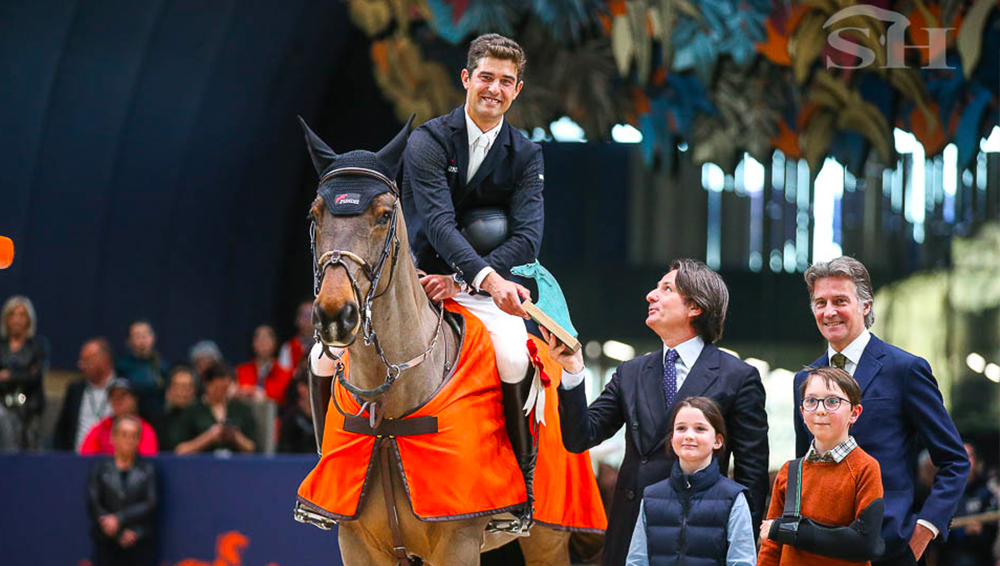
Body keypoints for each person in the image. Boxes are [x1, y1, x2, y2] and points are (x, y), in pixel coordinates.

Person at [401, 32, 543, 531]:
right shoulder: (428, 141)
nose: (494, 89)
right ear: (466, 78)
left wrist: (465, 283)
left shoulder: (526, 153)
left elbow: (527, 239)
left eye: (506, 81)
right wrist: (468, 274)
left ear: (517, 89)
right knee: (324, 355)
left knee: (511, 352)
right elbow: (438, 222)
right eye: (486, 77)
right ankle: (326, 469)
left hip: (480, 288)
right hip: (414, 277)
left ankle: (522, 487)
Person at [545, 258, 769, 566]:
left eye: (666, 289)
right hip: (629, 533)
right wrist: (572, 372)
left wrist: (741, 547)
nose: (651, 295)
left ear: (695, 307)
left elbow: (752, 476)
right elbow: (579, 437)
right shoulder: (631, 372)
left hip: (703, 538)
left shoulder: (738, 377)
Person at [794, 256, 970, 566]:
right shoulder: (805, 380)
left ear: (865, 306)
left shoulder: (905, 370)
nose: (829, 311)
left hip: (889, 548)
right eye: (820, 302)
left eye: (840, 300)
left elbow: (954, 460)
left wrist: (923, 531)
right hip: (818, 548)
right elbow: (803, 465)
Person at [759, 367, 885, 566]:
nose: (820, 409)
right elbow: (771, 548)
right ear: (802, 411)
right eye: (811, 401)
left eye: (832, 401)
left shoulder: (865, 468)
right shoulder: (790, 472)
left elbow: (864, 544)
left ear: (854, 412)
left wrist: (787, 530)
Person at [625, 397, 756, 566]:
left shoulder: (734, 498)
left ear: (717, 441)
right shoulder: (651, 496)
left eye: (700, 429)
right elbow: (637, 561)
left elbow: (742, 562)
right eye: (681, 428)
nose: (688, 436)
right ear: (672, 439)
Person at [87, 414, 157, 566]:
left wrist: (120, 520)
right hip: (106, 542)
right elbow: (94, 503)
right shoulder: (100, 470)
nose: (129, 440)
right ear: (113, 437)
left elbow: (150, 504)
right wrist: (115, 531)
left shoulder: (147, 471)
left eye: (134, 436)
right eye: (124, 435)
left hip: (138, 540)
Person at [174, 362, 257, 454]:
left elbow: (253, 448)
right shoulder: (192, 411)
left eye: (225, 388)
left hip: (236, 464)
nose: (222, 393)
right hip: (200, 464)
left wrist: (235, 437)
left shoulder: (241, 410)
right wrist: (209, 437)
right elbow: (180, 450)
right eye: (217, 387)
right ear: (207, 385)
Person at [0, 295, 50, 449]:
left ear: (29, 320)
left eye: (22, 315)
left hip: (30, 409)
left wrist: (9, 376)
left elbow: (35, 376)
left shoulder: (38, 345)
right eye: (12, 315)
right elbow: (29, 374)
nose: (17, 319)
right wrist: (24, 373)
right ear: (6, 319)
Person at [937, 443, 998, 566]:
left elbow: (992, 531)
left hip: (979, 558)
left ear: (975, 460)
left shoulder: (986, 492)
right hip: (949, 559)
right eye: (960, 456)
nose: (964, 461)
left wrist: (980, 531)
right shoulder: (943, 492)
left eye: (968, 456)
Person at [53, 338, 117, 451]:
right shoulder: (75, 390)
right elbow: (62, 430)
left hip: (113, 461)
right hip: (78, 460)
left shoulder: (122, 390)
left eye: (87, 360)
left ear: (104, 360)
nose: (81, 365)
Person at [79, 379, 158, 456]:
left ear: (134, 400)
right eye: (113, 396)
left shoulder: (145, 429)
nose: (118, 400)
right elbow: (85, 458)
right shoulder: (99, 428)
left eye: (123, 395)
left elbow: (148, 460)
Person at [236, 324, 291, 405]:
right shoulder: (241, 371)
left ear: (275, 342)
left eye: (267, 338)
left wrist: (265, 398)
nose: (263, 342)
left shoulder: (286, 375)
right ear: (253, 343)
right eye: (258, 338)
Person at [151, 365, 197, 451]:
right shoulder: (157, 420)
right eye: (180, 386)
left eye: (189, 386)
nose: (184, 392)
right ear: (169, 391)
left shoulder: (201, 417)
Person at [277, 373, 316, 454]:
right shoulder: (291, 414)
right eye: (301, 386)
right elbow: (284, 443)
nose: (303, 390)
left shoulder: (324, 413)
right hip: (294, 459)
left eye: (307, 386)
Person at [277, 301, 314, 372]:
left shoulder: (326, 347)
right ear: (297, 320)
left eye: (311, 315)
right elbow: (283, 375)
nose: (307, 320)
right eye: (304, 315)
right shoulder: (288, 348)